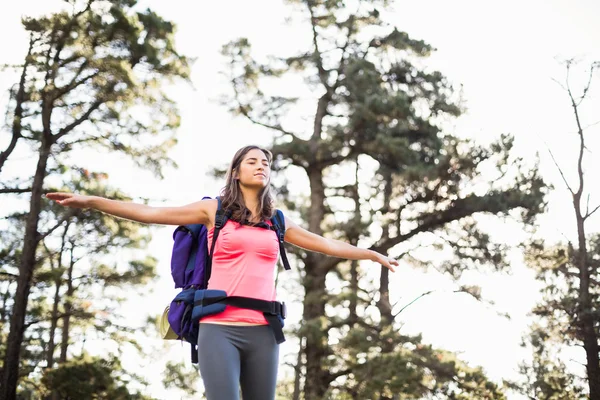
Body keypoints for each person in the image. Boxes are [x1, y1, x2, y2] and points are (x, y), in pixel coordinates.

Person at [46, 145, 398, 400]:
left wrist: (369, 254)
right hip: (218, 327)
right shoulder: (212, 211)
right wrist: (91, 201)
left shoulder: (276, 221)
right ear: (236, 172)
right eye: (252, 161)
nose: (261, 166)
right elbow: (149, 212)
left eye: (266, 163)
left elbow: (324, 244)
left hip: (264, 330)